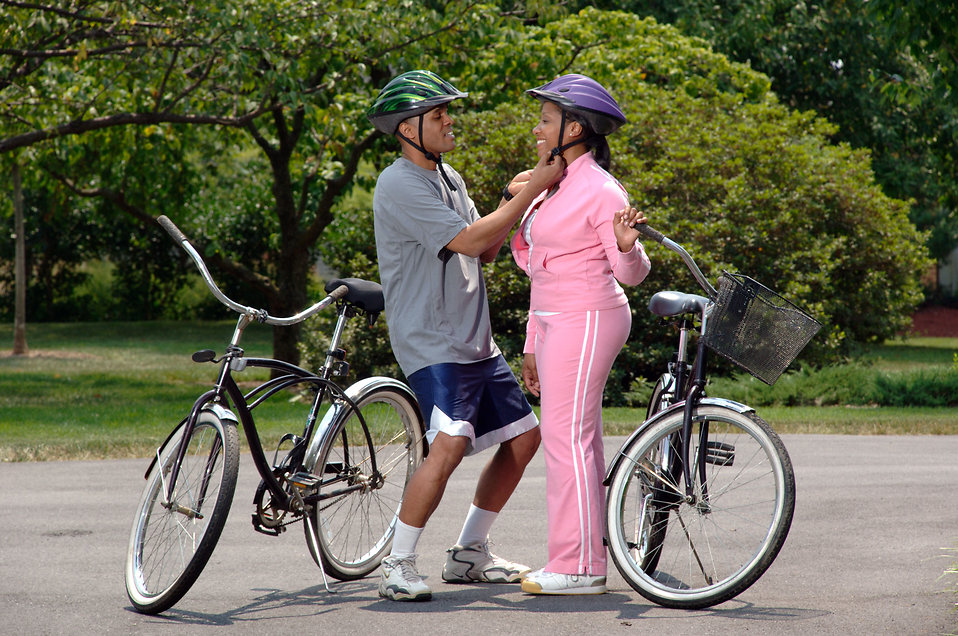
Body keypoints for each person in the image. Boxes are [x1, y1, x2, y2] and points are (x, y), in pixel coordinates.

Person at [366, 70, 565, 602]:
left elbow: (488, 245)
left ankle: (469, 553)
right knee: (450, 444)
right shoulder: (399, 183)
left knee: (524, 437)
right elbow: (469, 240)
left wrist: (511, 196)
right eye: (437, 114)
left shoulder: (449, 177)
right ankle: (399, 564)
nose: (450, 119)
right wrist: (534, 192)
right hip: (432, 341)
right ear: (408, 128)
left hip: (474, 340)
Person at [509, 74, 652, 595]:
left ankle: (579, 566)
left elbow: (630, 272)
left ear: (576, 128)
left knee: (566, 438)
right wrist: (530, 343)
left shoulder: (598, 188)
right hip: (554, 319)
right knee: (576, 438)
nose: (537, 129)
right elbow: (541, 268)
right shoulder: (555, 184)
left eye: (546, 120)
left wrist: (628, 246)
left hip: (589, 315)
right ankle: (582, 559)